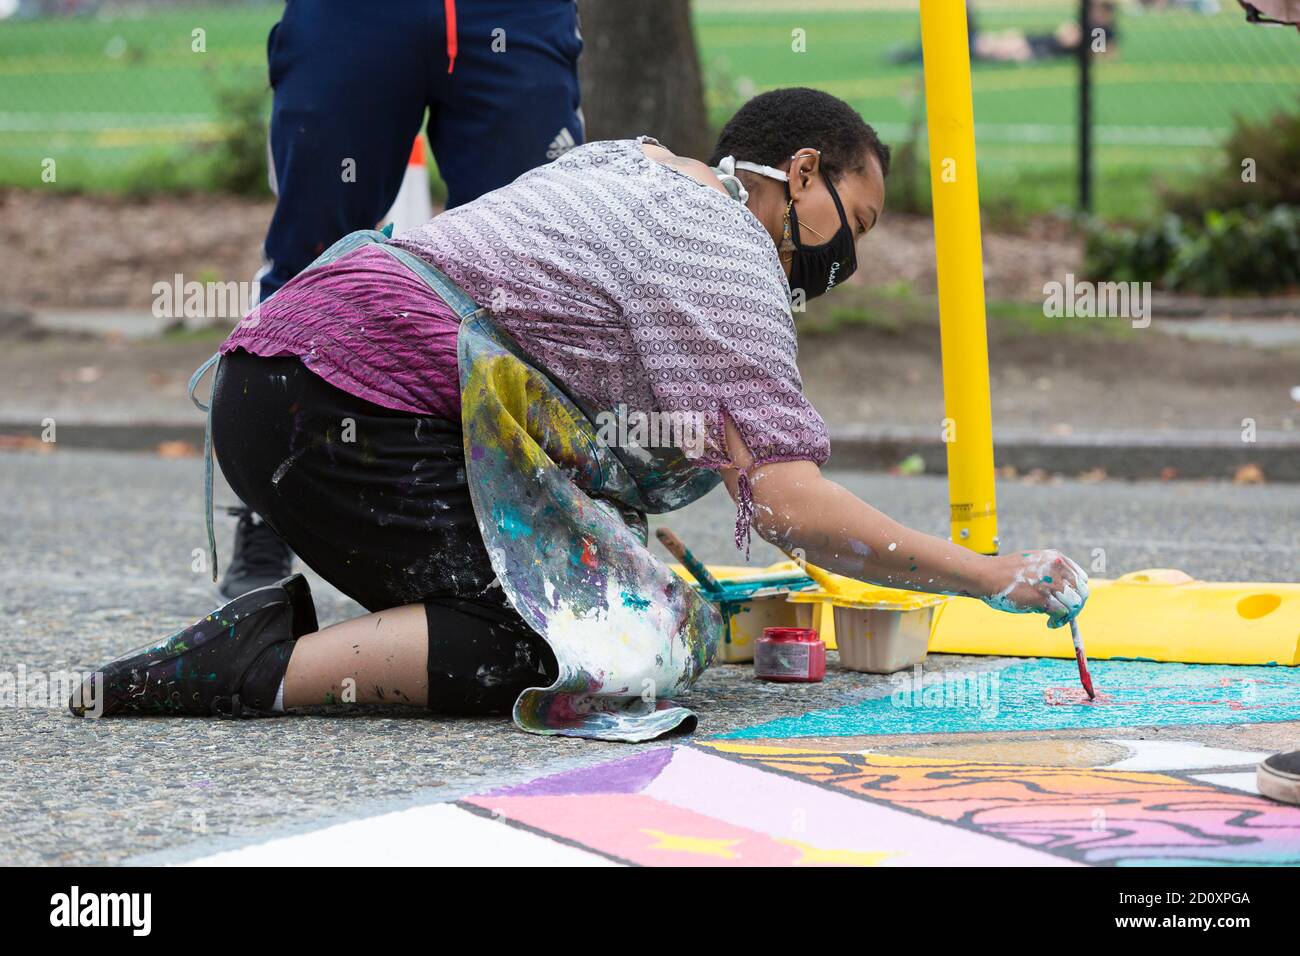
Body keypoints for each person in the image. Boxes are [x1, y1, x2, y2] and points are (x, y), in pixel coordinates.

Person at [70, 88, 1089, 742]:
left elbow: (550, 367)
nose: (842, 263)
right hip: (340, 405)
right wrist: (987, 576)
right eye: (847, 227)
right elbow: (787, 499)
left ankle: (283, 644)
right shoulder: (722, 246)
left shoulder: (630, 163)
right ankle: (248, 663)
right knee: (578, 644)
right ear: (802, 171)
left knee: (603, 582)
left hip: (289, 381)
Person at [221, 0, 585, 598]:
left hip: (510, 17)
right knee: (311, 259)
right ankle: (269, 508)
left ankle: (536, 523)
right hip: (352, 18)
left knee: (526, 271)